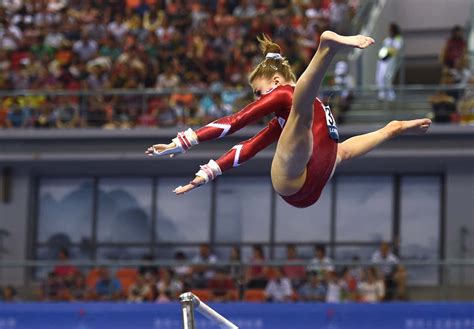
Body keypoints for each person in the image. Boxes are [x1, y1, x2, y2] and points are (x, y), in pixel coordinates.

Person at [146, 31, 431, 208]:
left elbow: (236, 121)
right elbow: (248, 147)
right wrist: (206, 173)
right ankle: (326, 50)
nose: (259, 100)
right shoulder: (290, 117)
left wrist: (186, 141)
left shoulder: (285, 95)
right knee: (302, 117)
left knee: (338, 148)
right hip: (293, 181)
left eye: (259, 92)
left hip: (315, 179)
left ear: (278, 79)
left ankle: (390, 127)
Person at [375, 23, 403, 101]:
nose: (389, 31)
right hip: (383, 60)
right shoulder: (387, 39)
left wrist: (387, 54)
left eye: (390, 29)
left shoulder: (398, 39)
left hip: (390, 60)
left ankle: (390, 95)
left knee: (387, 77)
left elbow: (395, 49)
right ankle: (382, 93)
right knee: (380, 76)